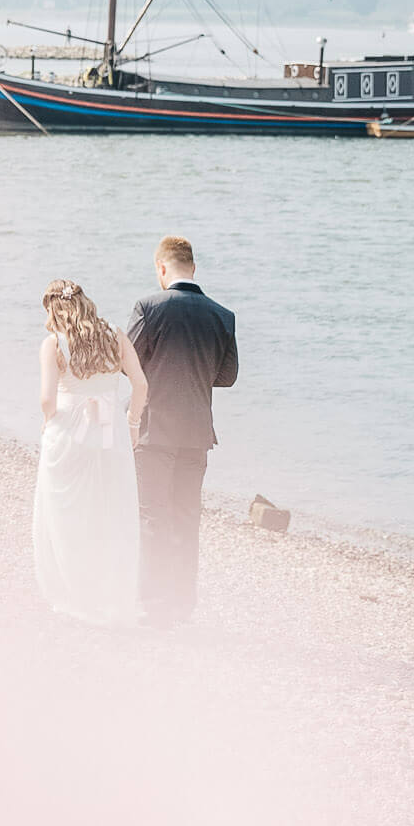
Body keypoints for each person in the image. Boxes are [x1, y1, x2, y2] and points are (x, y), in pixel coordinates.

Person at [125, 235, 238, 626]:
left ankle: (153, 603)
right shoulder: (223, 315)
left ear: (161, 268)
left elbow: (130, 363)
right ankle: (182, 603)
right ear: (193, 268)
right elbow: (227, 377)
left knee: (152, 516)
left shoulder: (148, 307)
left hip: (154, 431)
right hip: (196, 434)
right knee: (186, 517)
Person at [31, 279, 148, 626]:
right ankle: (111, 593)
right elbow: (140, 384)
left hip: (68, 433)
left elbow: (46, 399)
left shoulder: (54, 344)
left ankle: (77, 593)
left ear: (54, 309)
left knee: (67, 515)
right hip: (111, 435)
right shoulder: (115, 334)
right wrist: (132, 423)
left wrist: (47, 422)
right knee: (111, 512)